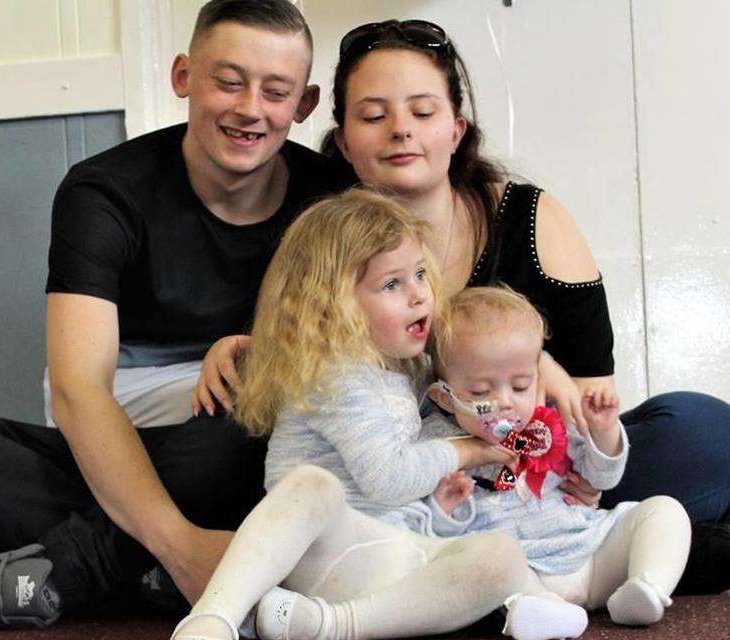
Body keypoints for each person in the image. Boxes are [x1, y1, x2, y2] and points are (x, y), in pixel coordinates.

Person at [199, 17, 730, 593]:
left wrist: (576, 447)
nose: (401, 131)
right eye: (374, 116)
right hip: (416, 490)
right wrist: (251, 345)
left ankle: (599, 546)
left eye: (422, 113)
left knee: (699, 428)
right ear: (345, 141)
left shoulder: (528, 217)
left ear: (457, 130)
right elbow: (321, 372)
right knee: (224, 458)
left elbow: (588, 392)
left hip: (536, 469)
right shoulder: (327, 238)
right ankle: (629, 557)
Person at [0, 0, 350, 631]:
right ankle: (172, 568)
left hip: (236, 423)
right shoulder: (105, 190)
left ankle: (57, 576)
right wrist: (184, 546)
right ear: (183, 75)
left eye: (276, 91)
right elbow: (79, 393)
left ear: (305, 104)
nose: (250, 109)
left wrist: (253, 351)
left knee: (269, 411)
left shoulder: (331, 198)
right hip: (115, 409)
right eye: (228, 81)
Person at [172, 188, 600, 640]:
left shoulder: (400, 363)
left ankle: (329, 625)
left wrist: (538, 367)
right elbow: (388, 478)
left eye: (420, 274)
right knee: (313, 486)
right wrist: (471, 450)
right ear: (333, 306)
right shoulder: (338, 376)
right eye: (392, 285)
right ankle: (213, 617)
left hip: (390, 551)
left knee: (502, 554)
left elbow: (470, 355)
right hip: (334, 553)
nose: (419, 296)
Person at [423, 286, 690, 631]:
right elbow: (420, 531)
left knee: (664, 511)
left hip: (590, 552)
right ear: (443, 398)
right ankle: (543, 612)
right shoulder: (436, 442)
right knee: (480, 565)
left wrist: (602, 431)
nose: (505, 401)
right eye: (480, 391)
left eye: (520, 386)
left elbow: (602, 479)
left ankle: (646, 587)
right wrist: (441, 511)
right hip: (519, 570)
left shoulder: (549, 422)